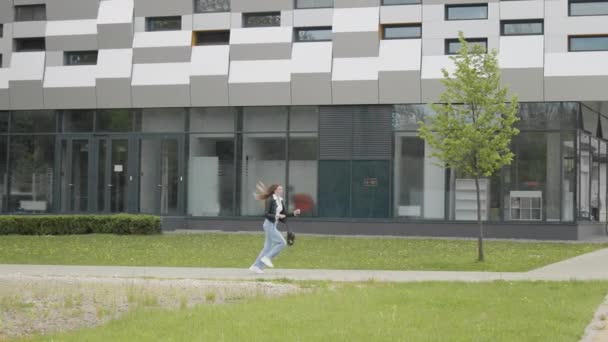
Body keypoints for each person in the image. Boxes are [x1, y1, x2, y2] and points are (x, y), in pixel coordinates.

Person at [249, 183, 300, 274]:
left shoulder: (280, 200)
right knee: (282, 243)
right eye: (280, 189)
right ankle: (267, 258)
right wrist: (277, 215)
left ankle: (255, 266)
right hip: (269, 225)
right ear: (275, 190)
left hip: (273, 224)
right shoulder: (270, 200)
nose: (282, 191)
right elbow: (266, 214)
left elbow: (284, 214)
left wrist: (294, 213)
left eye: (282, 189)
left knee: (267, 248)